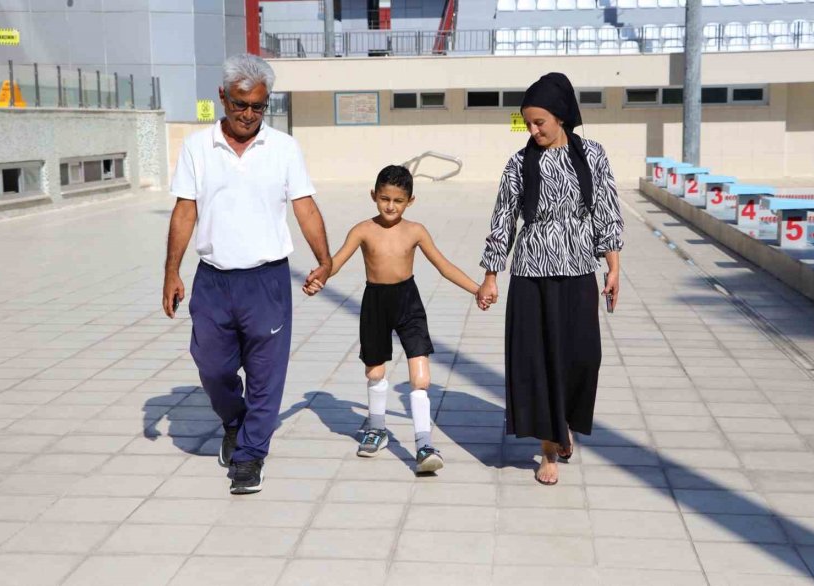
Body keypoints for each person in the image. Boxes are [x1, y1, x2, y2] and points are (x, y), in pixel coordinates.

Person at [162, 54, 331, 495]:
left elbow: (305, 207)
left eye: (258, 106)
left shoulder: (284, 148)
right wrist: (171, 272)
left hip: (266, 280)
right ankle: (234, 423)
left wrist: (324, 258)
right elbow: (184, 211)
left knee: (265, 375)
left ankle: (251, 454)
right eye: (240, 105)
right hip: (213, 280)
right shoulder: (198, 148)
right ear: (222, 97)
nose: (249, 115)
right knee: (212, 366)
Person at [476, 72, 624, 486]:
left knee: (582, 357)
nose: (533, 129)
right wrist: (491, 276)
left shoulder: (592, 154)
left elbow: (607, 212)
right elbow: (503, 220)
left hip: (578, 271)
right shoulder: (520, 163)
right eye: (528, 123)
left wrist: (613, 267)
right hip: (531, 274)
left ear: (561, 116)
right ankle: (548, 448)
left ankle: (565, 423)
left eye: (540, 121)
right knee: (536, 362)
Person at [305, 165, 482, 474]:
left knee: (421, 378)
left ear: (410, 201)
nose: (390, 206)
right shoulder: (362, 230)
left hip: (407, 301)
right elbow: (335, 262)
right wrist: (319, 278)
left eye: (398, 201)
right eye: (384, 198)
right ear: (374, 195)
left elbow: (443, 265)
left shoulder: (415, 231)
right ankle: (377, 429)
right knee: (374, 372)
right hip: (375, 302)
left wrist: (476, 289)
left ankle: (424, 442)